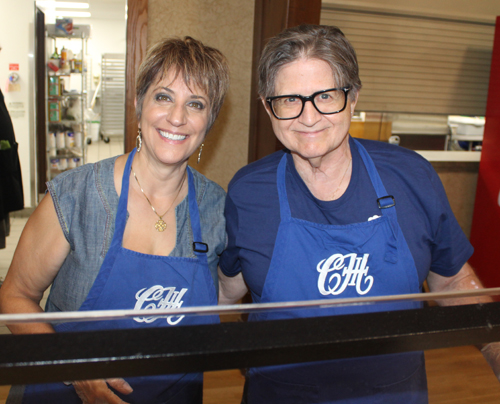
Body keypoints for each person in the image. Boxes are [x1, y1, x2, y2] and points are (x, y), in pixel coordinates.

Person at [218, 24, 500, 403]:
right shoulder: (248, 192)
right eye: (289, 100)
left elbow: (450, 281)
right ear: (268, 106)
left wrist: (494, 346)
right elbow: (223, 290)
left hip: (394, 394)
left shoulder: (411, 176)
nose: (308, 117)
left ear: (352, 98)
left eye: (326, 96)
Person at [0, 36, 229, 404]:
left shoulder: (217, 207)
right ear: (139, 104)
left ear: (209, 121)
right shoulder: (78, 194)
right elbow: (13, 295)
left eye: (196, 104)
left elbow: (226, 302)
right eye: (164, 96)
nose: (177, 117)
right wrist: (74, 368)